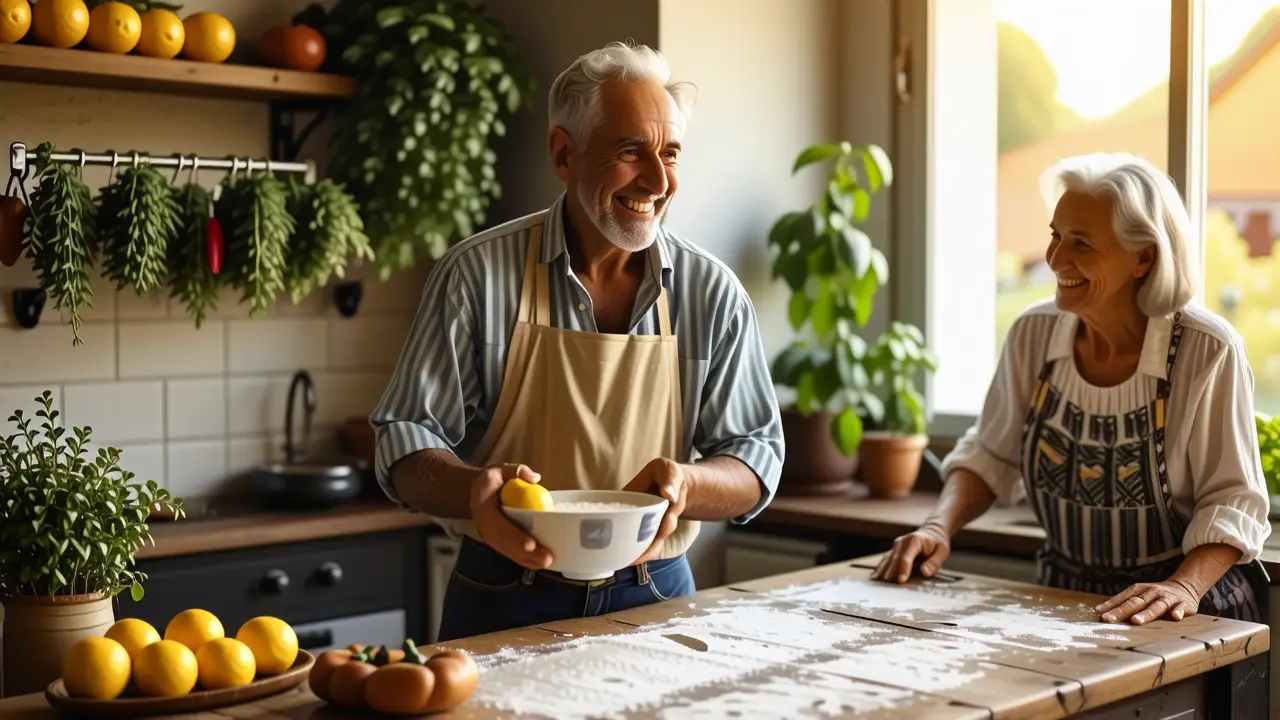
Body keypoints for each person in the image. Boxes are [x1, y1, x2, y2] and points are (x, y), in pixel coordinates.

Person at [369, 41, 784, 642]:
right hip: (503, 594)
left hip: (657, 595)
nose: (660, 180)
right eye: (630, 151)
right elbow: (404, 441)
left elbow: (757, 457)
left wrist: (687, 484)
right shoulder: (477, 276)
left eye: (670, 153)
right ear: (564, 154)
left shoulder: (712, 292)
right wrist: (478, 491)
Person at [873, 152, 1271, 625]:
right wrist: (939, 526)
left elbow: (1232, 500)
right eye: (1056, 236)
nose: (1055, 259)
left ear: (1143, 256)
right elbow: (990, 454)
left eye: (1082, 244)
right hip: (1062, 604)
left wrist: (1182, 586)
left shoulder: (1206, 350)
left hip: (1183, 612)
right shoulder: (1033, 333)